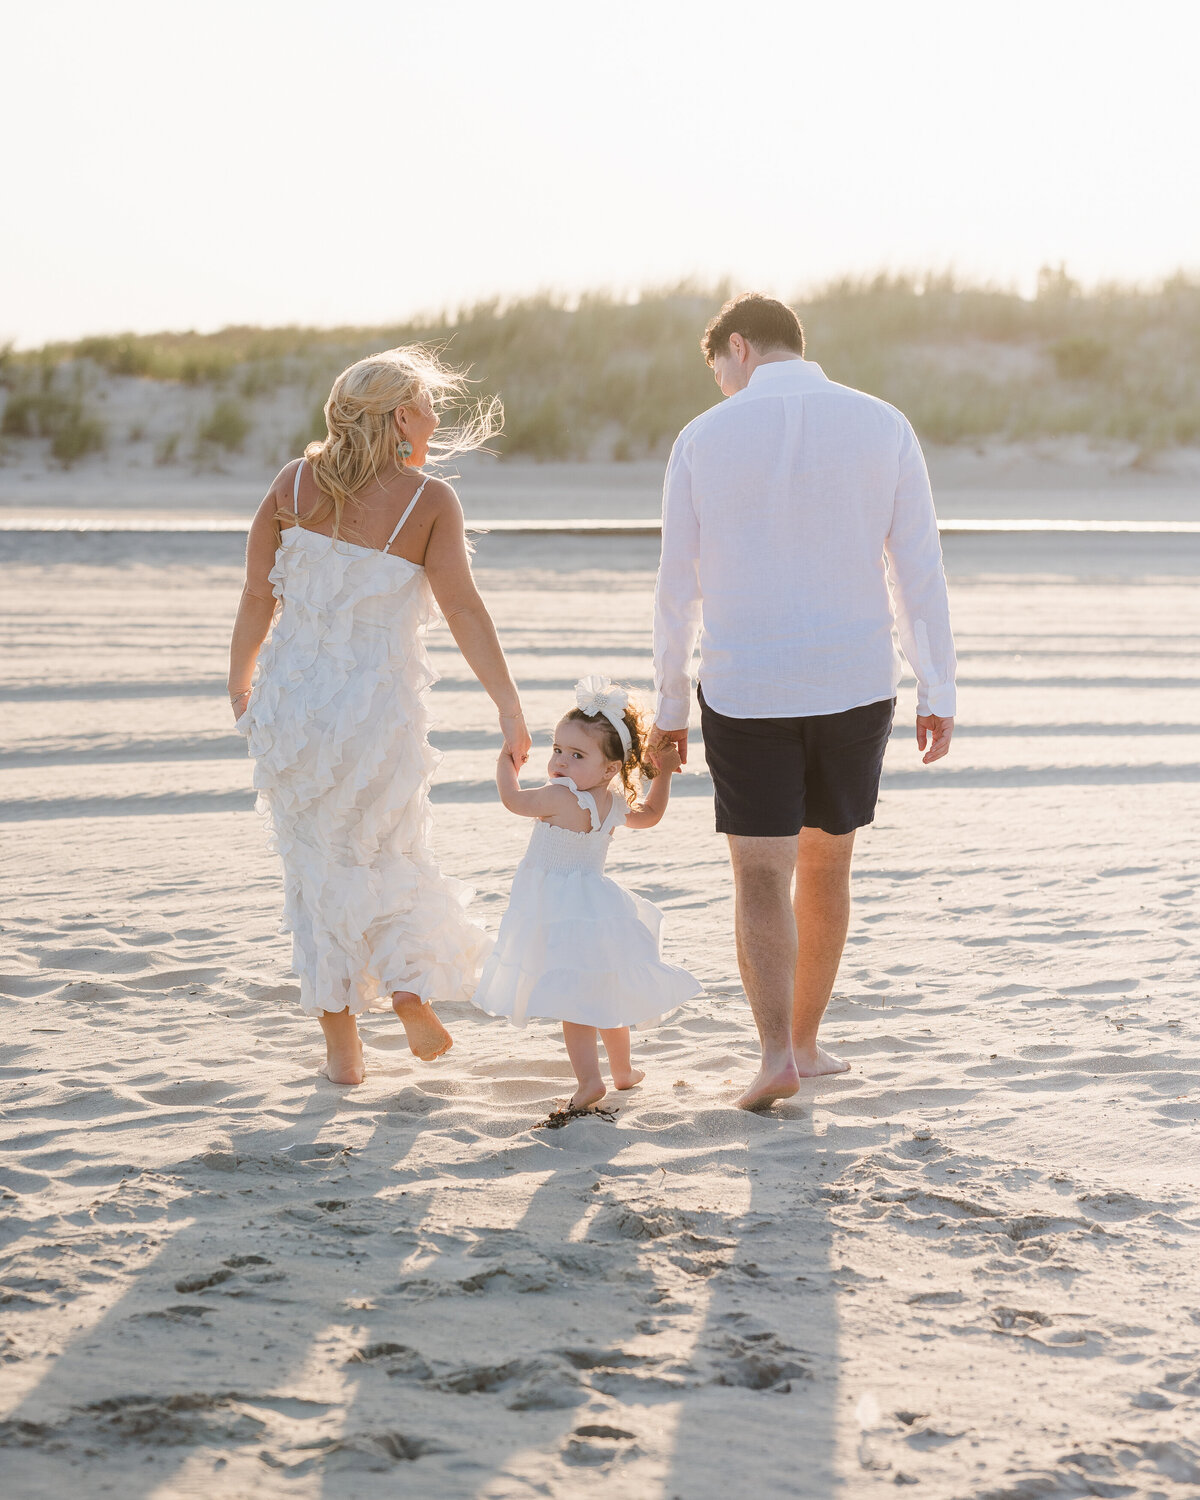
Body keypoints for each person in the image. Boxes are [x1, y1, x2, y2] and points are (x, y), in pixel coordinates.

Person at [650, 293, 957, 1110]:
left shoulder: (702, 438)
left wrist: (670, 706)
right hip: (854, 680)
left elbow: (676, 589)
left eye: (719, 369)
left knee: (758, 873)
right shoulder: (883, 423)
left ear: (739, 348)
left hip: (747, 686)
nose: (721, 384)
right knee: (827, 864)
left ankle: (775, 1053)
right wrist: (937, 686)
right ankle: (811, 1045)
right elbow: (917, 568)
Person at [228, 346, 531, 1086]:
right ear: (400, 416)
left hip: (294, 709)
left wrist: (241, 685)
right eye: (429, 405)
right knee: (391, 853)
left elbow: (256, 597)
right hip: (375, 713)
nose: (436, 418)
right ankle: (407, 992)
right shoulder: (429, 502)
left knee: (314, 867)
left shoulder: (291, 484)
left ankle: (342, 1048)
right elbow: (462, 608)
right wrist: (509, 704)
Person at [472, 676, 702, 1110]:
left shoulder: (561, 795)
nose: (560, 762)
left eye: (576, 755)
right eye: (557, 750)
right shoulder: (612, 802)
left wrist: (506, 761)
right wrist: (665, 773)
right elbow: (650, 814)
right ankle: (623, 1071)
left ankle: (590, 1081)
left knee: (574, 1000)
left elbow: (514, 801)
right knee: (603, 988)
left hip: (556, 910)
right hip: (597, 907)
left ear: (611, 767)